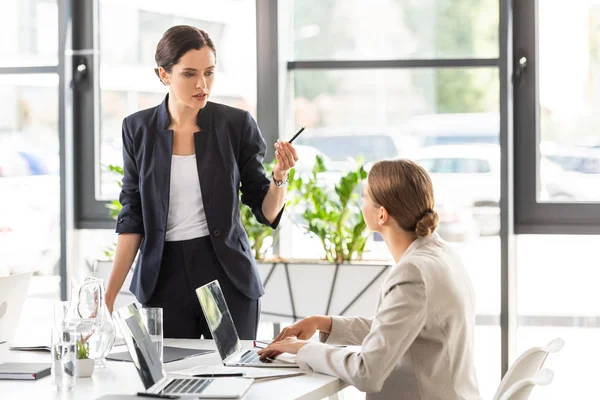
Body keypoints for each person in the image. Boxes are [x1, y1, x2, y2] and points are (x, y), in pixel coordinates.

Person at [105, 25, 298, 340]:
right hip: (163, 280)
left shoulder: (235, 125)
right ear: (164, 74)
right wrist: (109, 298)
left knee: (231, 376)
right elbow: (133, 215)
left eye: (209, 73)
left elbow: (267, 211)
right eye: (189, 74)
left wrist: (279, 177)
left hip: (224, 275)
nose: (202, 85)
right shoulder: (137, 129)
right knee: (166, 380)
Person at [258, 159, 481, 399]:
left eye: (364, 197)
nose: (360, 203)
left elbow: (367, 371)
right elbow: (395, 330)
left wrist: (303, 350)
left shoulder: (413, 272)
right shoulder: (441, 254)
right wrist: (323, 322)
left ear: (382, 214)